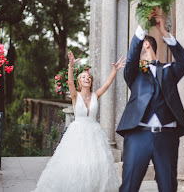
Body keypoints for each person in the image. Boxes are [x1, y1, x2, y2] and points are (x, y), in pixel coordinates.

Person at [116, 10, 184, 192]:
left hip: (167, 135)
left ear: (148, 44)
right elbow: (133, 55)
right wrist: (142, 25)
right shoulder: (133, 72)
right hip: (137, 135)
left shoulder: (169, 70)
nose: (137, 46)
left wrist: (164, 31)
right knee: (128, 187)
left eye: (142, 40)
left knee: (168, 187)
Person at [34, 51, 126, 192]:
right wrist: (71, 66)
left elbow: (107, 84)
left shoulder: (96, 95)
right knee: (77, 163)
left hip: (94, 134)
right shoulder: (75, 96)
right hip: (77, 133)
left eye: (88, 77)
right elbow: (69, 82)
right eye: (83, 77)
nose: (86, 78)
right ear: (79, 81)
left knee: (95, 165)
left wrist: (115, 69)